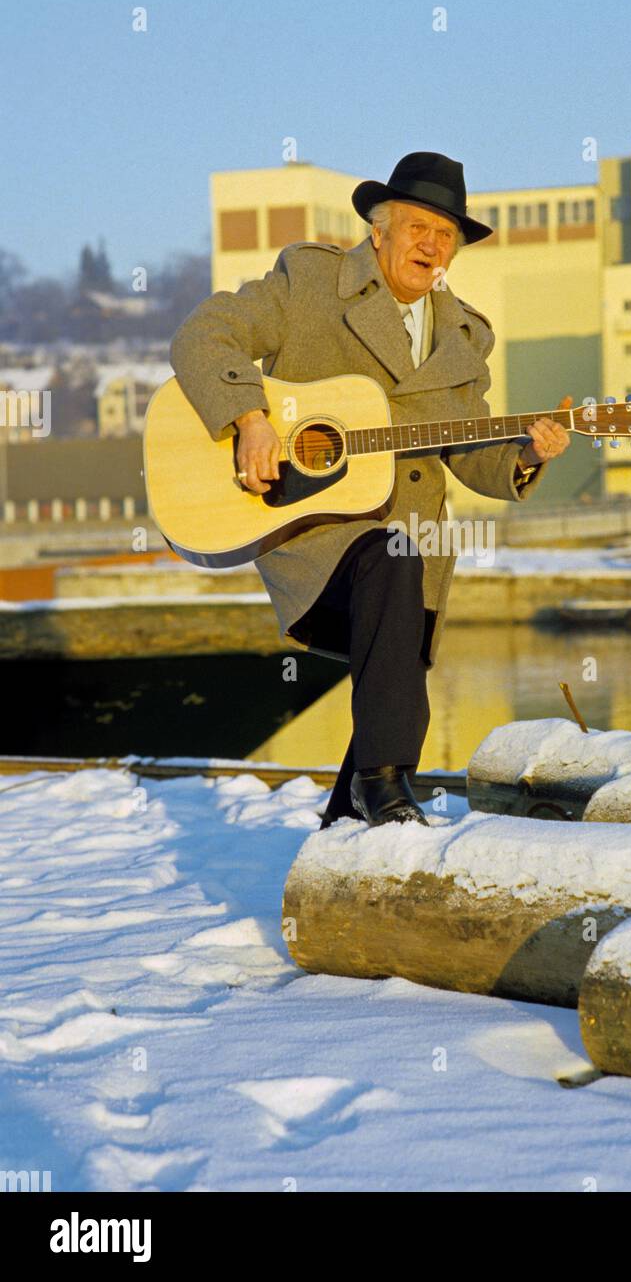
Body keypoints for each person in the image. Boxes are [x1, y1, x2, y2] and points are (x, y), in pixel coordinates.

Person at [169, 151, 571, 827]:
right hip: (311, 534)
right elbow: (204, 335)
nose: (431, 244)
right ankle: (383, 789)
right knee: (392, 569)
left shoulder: (465, 337)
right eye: (417, 226)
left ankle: (346, 841)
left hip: (408, 553)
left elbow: (469, 450)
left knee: (398, 689)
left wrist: (529, 451)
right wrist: (250, 419)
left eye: (446, 235)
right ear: (377, 229)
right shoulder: (311, 281)